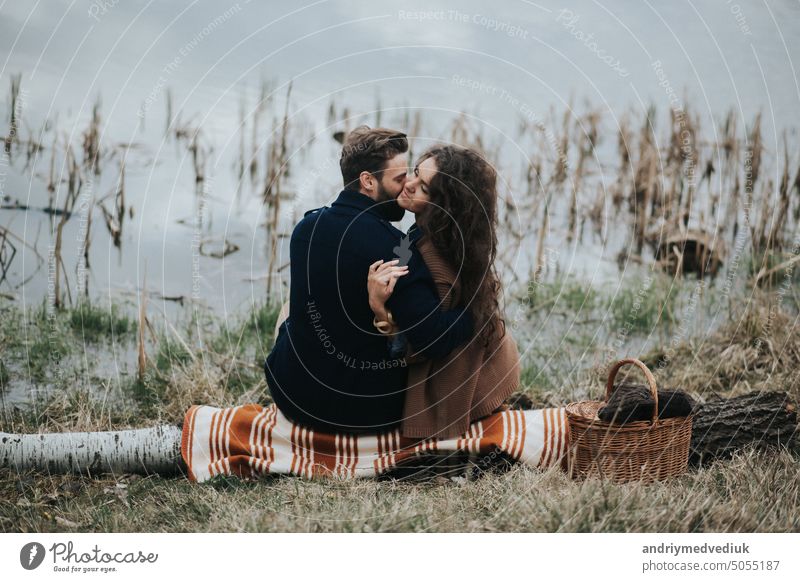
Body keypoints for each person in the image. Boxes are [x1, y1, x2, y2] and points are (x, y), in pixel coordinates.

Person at [263, 127, 475, 434]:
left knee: (293, 316)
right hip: (358, 413)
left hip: (290, 394)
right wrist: (475, 311)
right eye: (399, 178)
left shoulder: (305, 228)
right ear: (368, 181)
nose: (407, 186)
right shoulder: (394, 250)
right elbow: (434, 338)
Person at [367, 145, 520, 439]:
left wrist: (379, 309)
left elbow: (430, 339)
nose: (408, 184)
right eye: (415, 173)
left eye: (423, 187)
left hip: (472, 386)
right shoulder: (456, 236)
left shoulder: (430, 257)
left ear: (443, 205)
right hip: (497, 363)